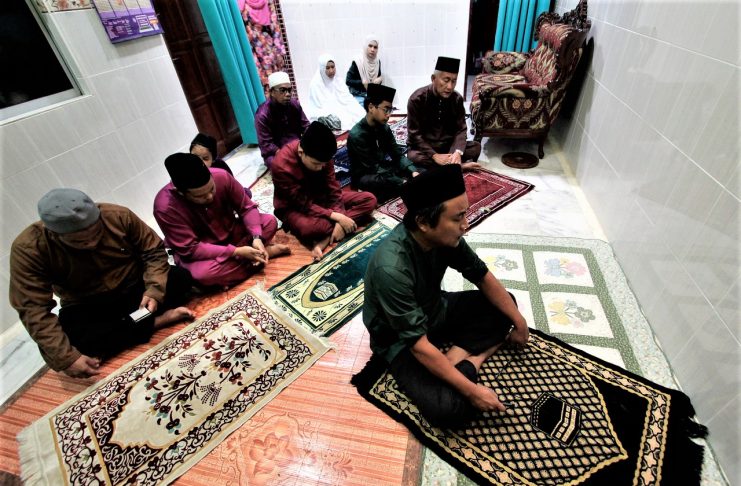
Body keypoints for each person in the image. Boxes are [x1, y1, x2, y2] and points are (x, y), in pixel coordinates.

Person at [362, 164, 529, 427]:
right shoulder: (391, 268)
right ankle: (474, 360)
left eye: (465, 214)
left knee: (506, 305)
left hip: (434, 308)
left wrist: (520, 322)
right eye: (457, 218)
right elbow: (417, 345)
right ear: (423, 223)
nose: (466, 225)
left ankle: (451, 361)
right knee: (446, 410)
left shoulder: (446, 239)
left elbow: (482, 276)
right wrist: (473, 392)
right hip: (399, 339)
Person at [9, 189, 194, 379]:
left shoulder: (118, 216)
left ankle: (129, 328)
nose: (91, 243)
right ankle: (154, 322)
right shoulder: (30, 249)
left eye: (96, 234)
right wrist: (67, 358)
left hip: (136, 290)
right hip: (89, 305)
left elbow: (153, 252)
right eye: (79, 241)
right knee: (73, 343)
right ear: (55, 235)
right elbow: (32, 309)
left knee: (180, 279)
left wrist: (154, 290)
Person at [154, 153, 290, 288]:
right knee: (202, 275)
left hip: (232, 234)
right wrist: (235, 251)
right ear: (180, 192)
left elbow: (247, 208)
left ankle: (237, 269)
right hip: (204, 253)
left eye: (212, 189)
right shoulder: (165, 208)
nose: (210, 197)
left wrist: (256, 237)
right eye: (200, 196)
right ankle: (262, 255)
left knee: (269, 222)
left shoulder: (221, 176)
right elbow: (192, 249)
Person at [271, 121, 377, 261]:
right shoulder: (281, 166)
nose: (321, 168)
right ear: (301, 152)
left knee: (369, 200)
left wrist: (339, 218)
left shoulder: (323, 156)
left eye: (324, 164)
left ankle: (328, 236)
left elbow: (333, 189)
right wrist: (337, 216)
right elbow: (304, 204)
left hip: (322, 198)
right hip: (295, 207)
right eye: (316, 164)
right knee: (310, 229)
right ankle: (332, 231)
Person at [407, 56, 481, 171]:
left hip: (448, 146)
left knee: (476, 147)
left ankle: (447, 166)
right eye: (446, 80)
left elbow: (461, 129)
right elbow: (414, 135)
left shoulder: (457, 99)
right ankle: (459, 167)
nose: (450, 87)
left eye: (454, 81)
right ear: (433, 78)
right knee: (413, 156)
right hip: (427, 148)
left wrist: (457, 152)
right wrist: (434, 155)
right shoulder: (416, 99)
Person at [347, 83, 418, 204]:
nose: (389, 115)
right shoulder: (357, 135)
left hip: (383, 169)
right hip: (367, 175)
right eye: (386, 110)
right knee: (382, 181)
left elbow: (397, 155)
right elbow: (373, 168)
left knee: (416, 170)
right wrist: (401, 182)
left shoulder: (384, 128)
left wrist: (413, 171)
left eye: (390, 110)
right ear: (371, 107)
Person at [255, 71, 310, 169]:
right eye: (283, 90)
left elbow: (306, 127)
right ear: (272, 92)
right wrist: (289, 154)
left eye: (289, 90)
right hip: (277, 152)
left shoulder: (294, 105)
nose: (288, 94)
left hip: (298, 146)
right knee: (279, 166)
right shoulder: (262, 114)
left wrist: (310, 142)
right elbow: (266, 145)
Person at [306, 53, 366, 130]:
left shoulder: (338, 80)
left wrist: (357, 109)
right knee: (337, 120)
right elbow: (318, 107)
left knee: (361, 114)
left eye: (333, 67)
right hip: (325, 111)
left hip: (341, 107)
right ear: (322, 68)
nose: (331, 71)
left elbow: (347, 99)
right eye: (327, 68)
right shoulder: (315, 84)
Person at [190, 133, 252, 198]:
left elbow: (232, 184)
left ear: (213, 159)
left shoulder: (220, 167)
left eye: (205, 158)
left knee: (246, 194)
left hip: (223, 196)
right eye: (195, 157)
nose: (200, 162)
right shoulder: (189, 170)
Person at [346, 35, 384, 104]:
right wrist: (362, 83)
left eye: (375, 47)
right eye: (370, 46)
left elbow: (377, 81)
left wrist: (380, 79)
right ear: (366, 46)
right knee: (364, 108)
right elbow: (348, 81)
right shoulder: (358, 61)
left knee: (385, 105)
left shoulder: (377, 62)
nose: (372, 50)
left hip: (372, 94)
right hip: (358, 94)